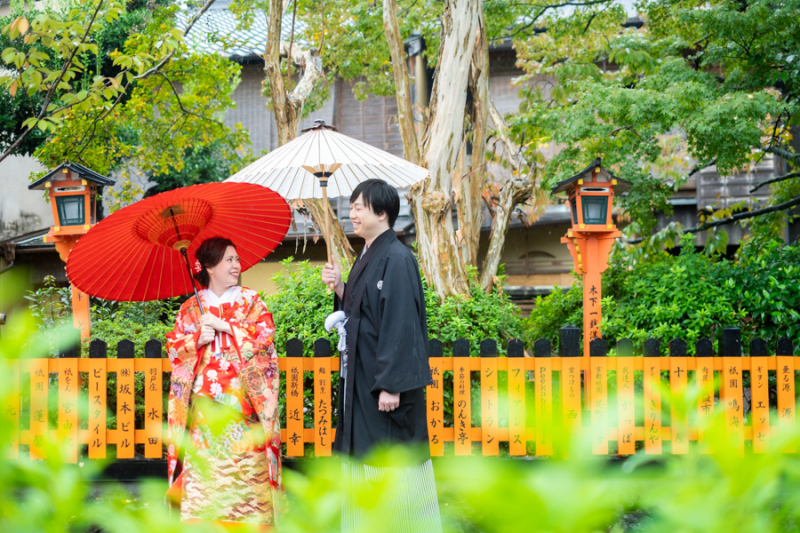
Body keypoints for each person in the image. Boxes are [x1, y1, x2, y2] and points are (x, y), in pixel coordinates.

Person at [322, 179, 442, 533]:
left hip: (384, 389)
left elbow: (401, 321)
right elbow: (364, 316)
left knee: (392, 460)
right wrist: (342, 288)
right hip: (361, 381)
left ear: (383, 212)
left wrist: (392, 384)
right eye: (352, 206)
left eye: (360, 206)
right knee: (364, 457)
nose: (352, 212)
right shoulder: (367, 256)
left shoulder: (397, 258)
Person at [166, 237, 283, 529]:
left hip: (244, 410)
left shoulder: (250, 299)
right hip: (204, 412)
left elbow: (265, 338)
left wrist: (226, 326)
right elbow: (174, 352)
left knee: (249, 484)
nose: (236, 265)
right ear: (208, 267)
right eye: (228, 259)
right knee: (202, 486)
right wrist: (197, 340)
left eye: (236, 259)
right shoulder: (190, 308)